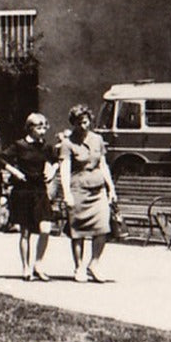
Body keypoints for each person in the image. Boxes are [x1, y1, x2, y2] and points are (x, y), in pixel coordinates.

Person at [59, 104, 116, 283]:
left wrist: (111, 188)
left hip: (98, 190)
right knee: (78, 232)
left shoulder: (97, 139)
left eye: (85, 122)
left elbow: (103, 164)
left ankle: (94, 264)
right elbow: (64, 169)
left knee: (102, 228)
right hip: (78, 190)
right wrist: (67, 193)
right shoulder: (68, 144)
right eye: (79, 123)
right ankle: (79, 268)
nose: (83, 126)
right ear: (73, 124)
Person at [0, 113, 56, 280]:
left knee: (45, 228)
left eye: (44, 127)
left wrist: (52, 171)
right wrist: (15, 172)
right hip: (23, 191)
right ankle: (26, 267)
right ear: (30, 128)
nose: (42, 131)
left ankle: (38, 264)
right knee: (25, 233)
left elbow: (56, 160)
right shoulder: (19, 145)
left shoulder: (45, 147)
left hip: (40, 191)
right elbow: (1, 159)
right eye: (39, 127)